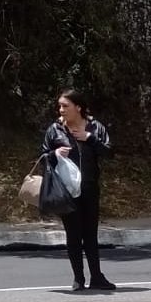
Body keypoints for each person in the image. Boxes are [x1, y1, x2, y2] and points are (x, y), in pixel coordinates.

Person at [43, 89, 116, 290]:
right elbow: (43, 156)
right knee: (73, 234)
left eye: (65, 106)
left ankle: (97, 277)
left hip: (90, 189)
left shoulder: (95, 127)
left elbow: (109, 152)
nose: (61, 109)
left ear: (78, 107)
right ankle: (78, 278)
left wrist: (89, 138)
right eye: (60, 106)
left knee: (91, 234)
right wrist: (55, 153)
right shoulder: (55, 130)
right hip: (66, 192)